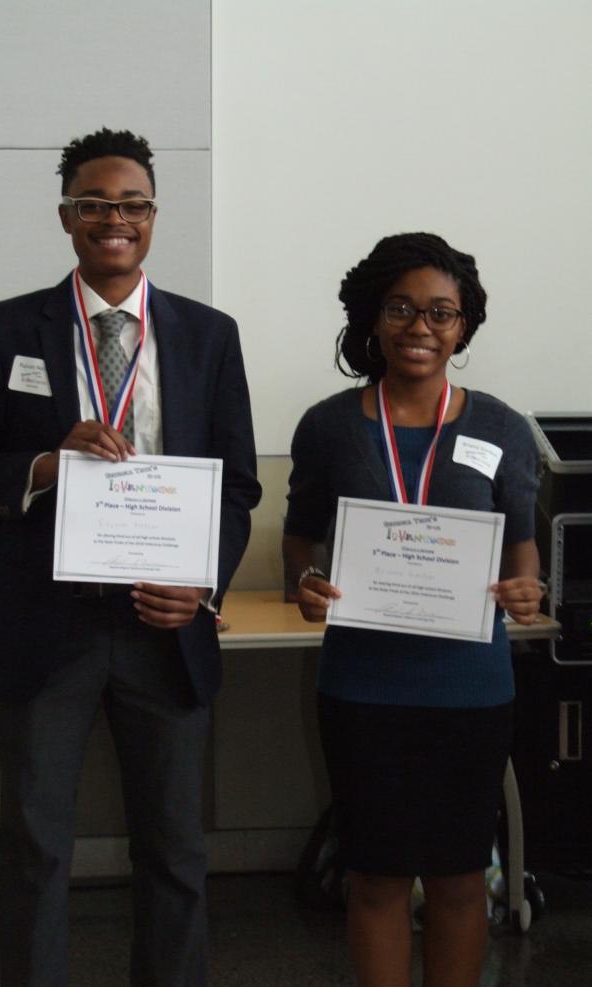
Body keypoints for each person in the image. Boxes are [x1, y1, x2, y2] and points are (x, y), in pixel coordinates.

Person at [0, 128, 261, 987]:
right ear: (66, 216)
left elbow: (237, 488)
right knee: (37, 846)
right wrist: (47, 463)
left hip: (165, 622)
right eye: (94, 204)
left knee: (175, 848)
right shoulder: (5, 329)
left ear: (153, 216)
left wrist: (201, 584)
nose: (115, 219)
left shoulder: (208, 335)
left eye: (132, 204)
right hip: (46, 625)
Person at [283, 232, 542, 987]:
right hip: (363, 688)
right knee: (375, 877)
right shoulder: (329, 425)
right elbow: (300, 540)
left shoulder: (500, 427)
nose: (420, 327)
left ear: (463, 326)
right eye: (400, 308)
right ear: (373, 317)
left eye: (440, 312)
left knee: (460, 879)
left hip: (470, 690)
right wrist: (306, 582)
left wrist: (526, 591)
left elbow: (521, 552)